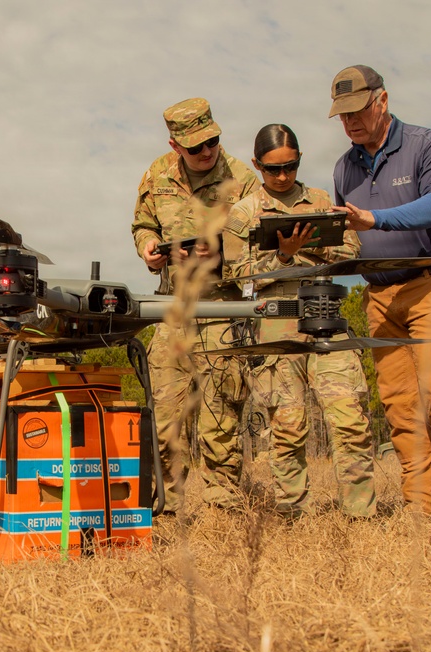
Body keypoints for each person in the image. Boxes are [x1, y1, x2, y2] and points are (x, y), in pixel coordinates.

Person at [328, 64, 431, 519]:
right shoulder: (344, 166)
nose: (350, 122)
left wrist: (376, 219)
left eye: (357, 110)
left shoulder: (425, 143)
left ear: (381, 100)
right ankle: (421, 505)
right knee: (399, 404)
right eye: (342, 116)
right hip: (378, 296)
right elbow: (349, 234)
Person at [223, 123, 376, 519]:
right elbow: (236, 273)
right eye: (272, 169)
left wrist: (306, 247)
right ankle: (293, 514)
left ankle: (360, 513)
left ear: (299, 160)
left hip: (325, 315)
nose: (282, 176)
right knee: (287, 427)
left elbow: (349, 248)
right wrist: (285, 257)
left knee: (349, 420)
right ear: (257, 165)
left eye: (289, 166)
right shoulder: (243, 213)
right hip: (276, 324)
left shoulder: (321, 199)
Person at [131, 98, 260, 511]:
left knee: (220, 410)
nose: (207, 152)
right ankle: (168, 504)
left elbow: (261, 241)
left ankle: (224, 503)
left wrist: (217, 255)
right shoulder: (156, 175)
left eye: (213, 141)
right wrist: (148, 248)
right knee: (166, 413)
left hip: (222, 307)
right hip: (172, 309)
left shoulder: (242, 179)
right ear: (174, 145)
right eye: (196, 147)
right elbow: (143, 223)